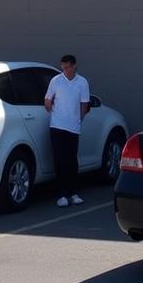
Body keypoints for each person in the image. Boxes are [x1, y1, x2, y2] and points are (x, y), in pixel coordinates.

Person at [44, 54, 91, 207]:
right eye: (63, 68)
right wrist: (54, 113)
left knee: (72, 160)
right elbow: (47, 100)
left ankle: (73, 193)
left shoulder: (82, 82)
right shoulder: (56, 81)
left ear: (74, 66)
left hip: (73, 128)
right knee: (60, 160)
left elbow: (84, 104)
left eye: (68, 67)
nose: (65, 70)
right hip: (57, 127)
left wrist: (79, 119)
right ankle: (62, 194)